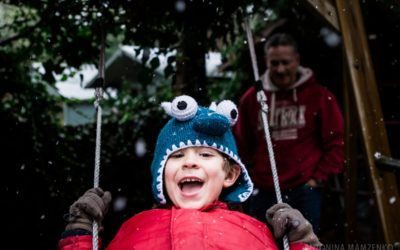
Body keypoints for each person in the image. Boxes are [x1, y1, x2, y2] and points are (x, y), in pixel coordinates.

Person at [58, 95, 322, 249]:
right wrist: (80, 233)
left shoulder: (255, 232)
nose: (190, 163)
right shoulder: (136, 228)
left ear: (229, 175)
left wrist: (301, 243)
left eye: (205, 155)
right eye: (177, 155)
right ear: (161, 173)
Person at [233, 33, 344, 233]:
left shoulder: (319, 96)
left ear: (297, 60)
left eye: (286, 62)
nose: (280, 69)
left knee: (305, 245)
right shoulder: (252, 99)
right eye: (274, 63)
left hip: (304, 190)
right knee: (260, 243)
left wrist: (317, 179)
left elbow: (336, 142)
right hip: (264, 190)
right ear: (266, 62)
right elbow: (241, 144)